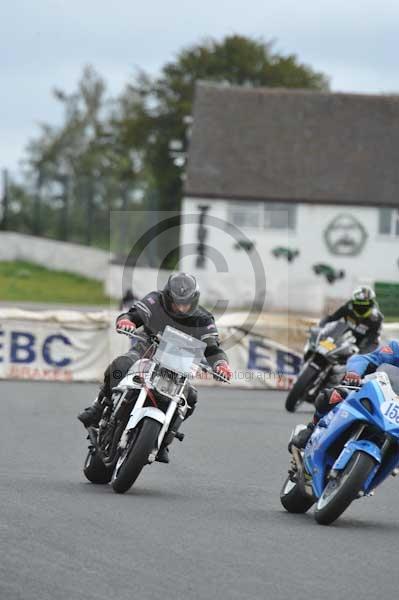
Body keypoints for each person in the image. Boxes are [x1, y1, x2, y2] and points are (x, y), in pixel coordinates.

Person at [78, 272, 233, 463]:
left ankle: (164, 439)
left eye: (186, 303)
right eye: (177, 302)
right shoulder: (154, 300)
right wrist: (127, 321)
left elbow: (212, 348)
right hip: (146, 351)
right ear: (167, 296)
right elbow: (135, 314)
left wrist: (221, 364)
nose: (181, 307)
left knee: (190, 397)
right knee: (121, 365)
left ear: (194, 300)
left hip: (178, 367)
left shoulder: (204, 318)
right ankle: (100, 406)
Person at [291, 339, 399, 450]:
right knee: (334, 396)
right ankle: (311, 429)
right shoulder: (395, 348)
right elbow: (364, 359)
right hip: (376, 396)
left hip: (396, 415)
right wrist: (354, 373)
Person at [318, 286, 383, 353]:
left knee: (360, 357)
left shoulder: (377, 318)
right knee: (330, 346)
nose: (361, 306)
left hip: (368, 341)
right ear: (354, 301)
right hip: (349, 335)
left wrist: (359, 349)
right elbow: (332, 318)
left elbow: (372, 336)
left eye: (364, 303)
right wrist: (320, 327)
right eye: (359, 302)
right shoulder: (348, 307)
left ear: (371, 302)